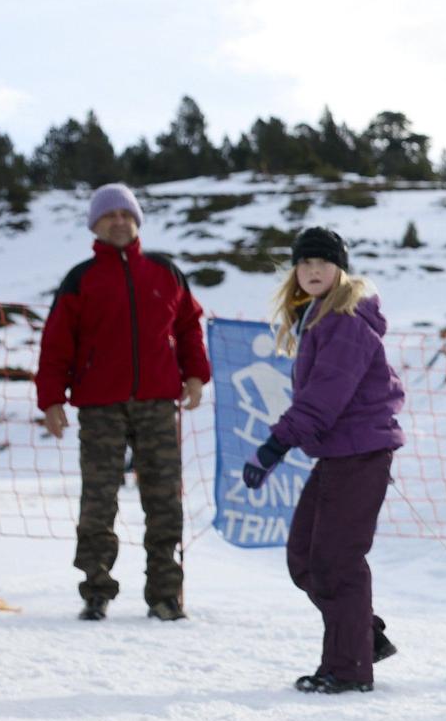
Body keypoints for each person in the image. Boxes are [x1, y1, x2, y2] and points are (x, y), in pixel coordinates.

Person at [241, 227, 405, 693]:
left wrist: (274, 447)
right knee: (305, 558)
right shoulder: (317, 317)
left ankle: (349, 668)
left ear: (340, 269)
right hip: (340, 454)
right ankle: (360, 637)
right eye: (305, 262)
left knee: (336, 560)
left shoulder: (346, 322)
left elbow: (324, 399)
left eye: (323, 262)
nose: (313, 270)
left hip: (360, 453)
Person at [36, 183, 210, 621]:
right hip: (99, 405)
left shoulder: (165, 272)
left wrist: (194, 375)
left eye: (125, 214)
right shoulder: (81, 279)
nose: (118, 221)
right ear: (95, 225)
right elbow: (56, 342)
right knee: (98, 500)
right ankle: (96, 590)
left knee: (164, 500)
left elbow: (189, 326)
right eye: (109, 215)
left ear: (137, 221)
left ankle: (165, 595)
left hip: (157, 402)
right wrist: (51, 399)